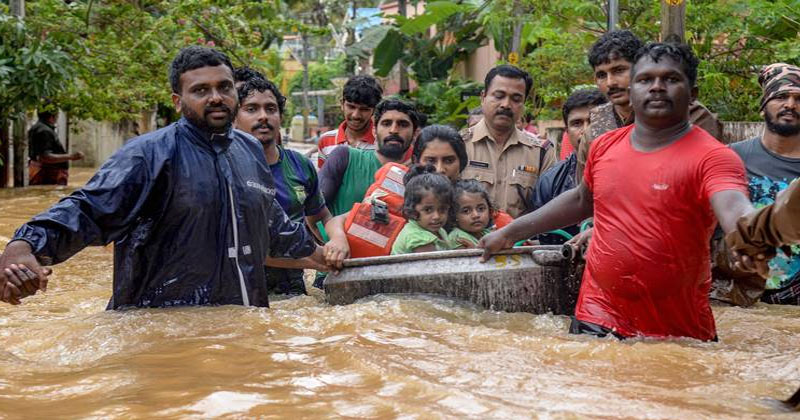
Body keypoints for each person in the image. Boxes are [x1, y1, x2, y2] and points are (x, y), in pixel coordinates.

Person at [0, 46, 327, 308]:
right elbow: (87, 210)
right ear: (177, 101)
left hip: (242, 329)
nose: (215, 97)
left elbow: (274, 226)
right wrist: (25, 245)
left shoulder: (250, 151)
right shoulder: (150, 155)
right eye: (200, 89)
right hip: (162, 332)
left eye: (223, 87)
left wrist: (330, 258)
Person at [480, 43, 754, 341]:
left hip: (678, 329)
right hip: (595, 314)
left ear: (693, 94)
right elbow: (581, 199)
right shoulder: (604, 145)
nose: (657, 88)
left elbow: (733, 205)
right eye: (645, 80)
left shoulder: (713, 156)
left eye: (671, 79)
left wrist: (752, 236)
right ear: (632, 90)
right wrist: (509, 233)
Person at [575, 30, 723, 183]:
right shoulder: (595, 129)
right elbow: (584, 195)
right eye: (601, 75)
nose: (610, 82)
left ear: (641, 69)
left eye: (619, 70)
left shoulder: (687, 113)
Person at [234, 72, 333, 295]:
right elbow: (243, 246)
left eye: (270, 109)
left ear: (280, 117)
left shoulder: (299, 164)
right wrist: (315, 260)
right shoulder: (224, 169)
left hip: (294, 286)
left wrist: (336, 242)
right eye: (251, 109)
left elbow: (321, 215)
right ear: (234, 118)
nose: (263, 117)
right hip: (244, 285)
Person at [713, 63, 800, 306]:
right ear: (763, 107)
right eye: (781, 96)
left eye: (798, 98)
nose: (790, 105)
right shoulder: (728, 158)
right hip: (735, 295)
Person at [461, 64, 556, 218]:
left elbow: (549, 208)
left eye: (516, 99)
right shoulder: (459, 146)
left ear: (523, 104)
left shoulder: (541, 152)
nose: (506, 104)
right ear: (483, 97)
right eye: (499, 96)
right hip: (468, 241)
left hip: (522, 241)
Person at [530, 89, 607, 244]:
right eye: (577, 123)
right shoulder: (550, 181)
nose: (586, 130)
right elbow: (545, 243)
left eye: (593, 122)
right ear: (567, 131)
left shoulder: (632, 170)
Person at [319, 98, 419, 217]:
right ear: (374, 130)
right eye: (386, 123)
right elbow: (312, 209)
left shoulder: (419, 176)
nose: (393, 130)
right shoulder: (345, 157)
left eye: (403, 124)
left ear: (415, 133)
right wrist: (333, 235)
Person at [317, 75, 383, 167]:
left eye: (364, 109)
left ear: (374, 110)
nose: (356, 115)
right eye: (351, 107)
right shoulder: (325, 140)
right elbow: (323, 179)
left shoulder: (383, 142)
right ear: (342, 104)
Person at [391, 165, 454, 254]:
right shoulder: (417, 237)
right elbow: (435, 266)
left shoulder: (439, 230)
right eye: (428, 210)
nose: (436, 216)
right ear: (412, 210)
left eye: (442, 209)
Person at [27, 110, 84, 185]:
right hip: (48, 175)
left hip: (41, 173)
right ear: (52, 117)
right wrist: (72, 156)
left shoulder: (36, 128)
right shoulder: (45, 131)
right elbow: (45, 157)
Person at [448, 179, 494, 248]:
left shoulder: (487, 233)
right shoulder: (458, 238)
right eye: (466, 211)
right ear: (454, 215)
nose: (476, 215)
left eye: (481, 209)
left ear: (489, 210)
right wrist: (473, 251)